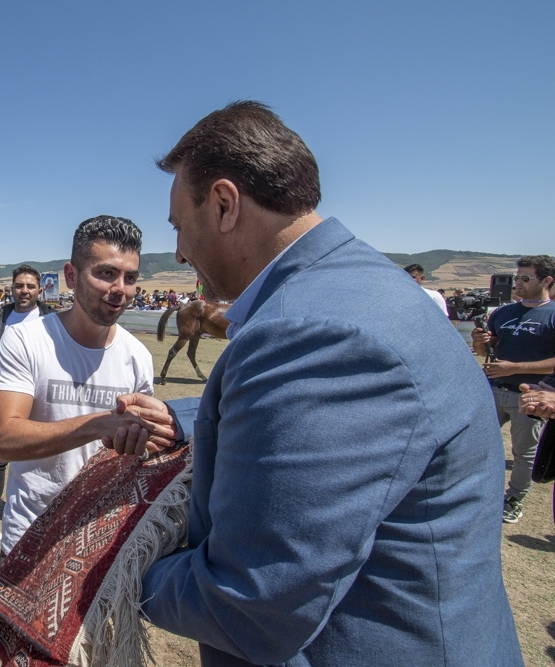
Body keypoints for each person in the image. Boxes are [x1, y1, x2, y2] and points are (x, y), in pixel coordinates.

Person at [129, 101, 520, 666]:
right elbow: (336, 429)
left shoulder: (310, 332)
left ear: (223, 204)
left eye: (178, 228)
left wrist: (120, 569)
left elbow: (249, 602)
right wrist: (182, 417)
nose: (182, 251)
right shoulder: (356, 287)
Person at [0, 216, 174, 561]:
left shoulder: (138, 357)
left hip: (101, 545)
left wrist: (153, 436)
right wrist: (99, 424)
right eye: (106, 273)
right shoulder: (25, 340)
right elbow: (3, 441)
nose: (120, 288)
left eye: (130, 278)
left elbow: (140, 454)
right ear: (71, 276)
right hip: (30, 538)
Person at [0, 264, 53, 559]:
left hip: (41, 398)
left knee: (40, 458)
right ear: (12, 288)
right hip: (6, 398)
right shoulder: (1, 319)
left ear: (39, 290)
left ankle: (42, 520)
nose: (24, 291)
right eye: (19, 285)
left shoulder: (50, 319)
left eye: (30, 286)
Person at [472, 255, 555, 523]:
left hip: (530, 397)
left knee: (524, 454)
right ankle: (475, 490)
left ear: (547, 280)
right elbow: (487, 351)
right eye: (517, 277)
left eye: (525, 278)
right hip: (494, 390)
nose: (517, 283)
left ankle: (514, 499)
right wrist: (479, 342)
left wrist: (514, 367)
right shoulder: (503, 313)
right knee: (476, 444)